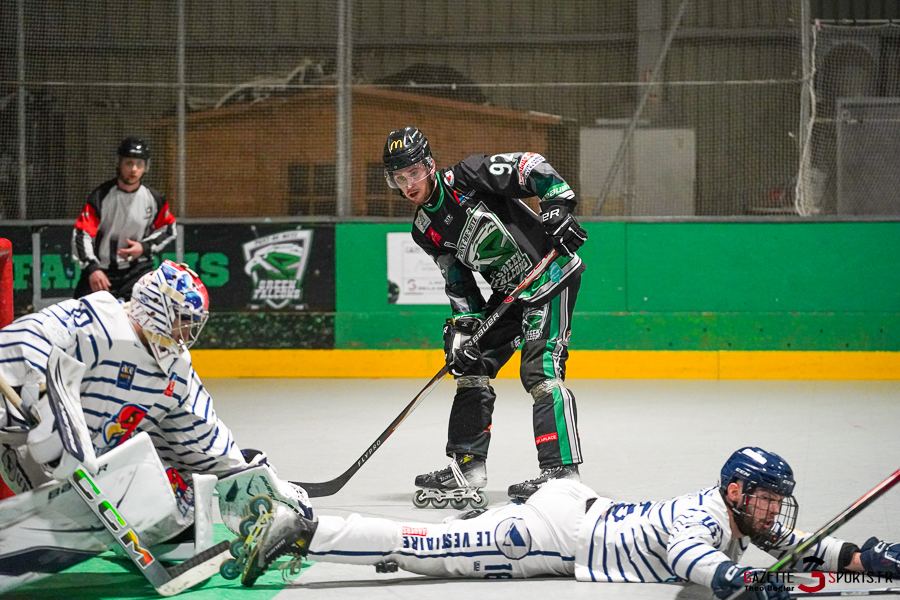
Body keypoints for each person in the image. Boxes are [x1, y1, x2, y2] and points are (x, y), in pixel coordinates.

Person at [0, 261, 311, 593]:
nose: (187, 332)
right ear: (157, 307)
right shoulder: (102, 318)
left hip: (90, 466)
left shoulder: (175, 370)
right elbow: (23, 338)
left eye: (193, 323)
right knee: (59, 506)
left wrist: (244, 473)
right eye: (182, 320)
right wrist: (45, 400)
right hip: (23, 442)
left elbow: (200, 432)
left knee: (178, 514)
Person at [234, 446, 900, 598]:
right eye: (765, 499)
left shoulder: (740, 519)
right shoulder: (705, 517)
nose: (774, 511)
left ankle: (312, 528)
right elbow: (690, 562)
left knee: (425, 550)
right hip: (550, 535)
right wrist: (738, 583)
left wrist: (871, 561)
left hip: (580, 509)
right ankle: (303, 527)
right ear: (737, 491)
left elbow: (808, 547)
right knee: (425, 549)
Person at [382, 126, 590, 505]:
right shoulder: (424, 230)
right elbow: (458, 282)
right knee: (470, 365)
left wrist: (557, 206)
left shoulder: (466, 177)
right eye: (399, 178)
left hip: (550, 274)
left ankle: (562, 472)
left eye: (413, 172)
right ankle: (468, 464)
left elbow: (530, 166)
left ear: (429, 165)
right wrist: (464, 328)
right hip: (509, 294)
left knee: (540, 369)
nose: (408, 184)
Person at [71, 137, 177, 300]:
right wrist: (92, 269)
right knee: (81, 321)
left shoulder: (154, 199)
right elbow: (82, 234)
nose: (134, 169)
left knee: (145, 322)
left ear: (146, 167)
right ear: (119, 163)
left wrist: (144, 247)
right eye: (128, 163)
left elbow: (168, 229)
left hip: (138, 272)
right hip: (102, 274)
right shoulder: (101, 197)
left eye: (139, 164)